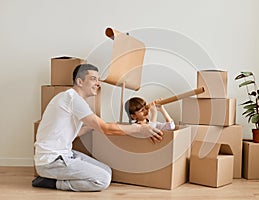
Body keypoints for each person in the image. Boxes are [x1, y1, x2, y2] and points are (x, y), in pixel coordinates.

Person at [32, 64, 163, 192]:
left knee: (106, 170)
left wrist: (94, 127)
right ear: (80, 81)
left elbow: (76, 133)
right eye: (93, 79)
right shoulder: (72, 98)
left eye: (98, 79)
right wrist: (140, 129)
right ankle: (54, 183)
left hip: (65, 154)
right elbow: (106, 129)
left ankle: (57, 178)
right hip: (51, 161)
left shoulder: (71, 99)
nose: (98, 83)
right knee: (103, 179)